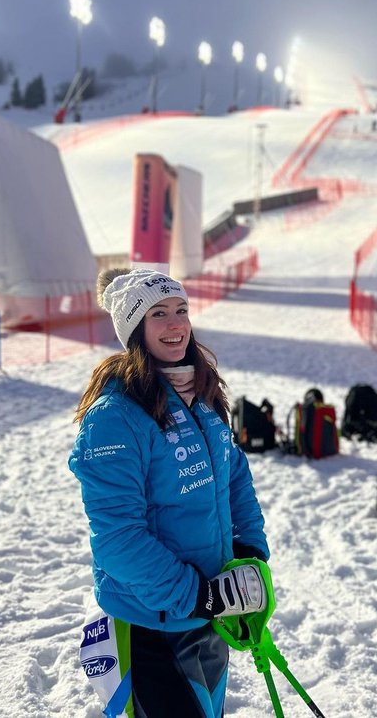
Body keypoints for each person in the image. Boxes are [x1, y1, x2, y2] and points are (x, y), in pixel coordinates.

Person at [69, 268, 270, 718]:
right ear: (134, 329)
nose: (176, 324)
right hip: (154, 621)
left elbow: (233, 472)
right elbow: (119, 539)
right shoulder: (115, 416)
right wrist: (198, 595)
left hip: (213, 610)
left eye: (181, 310)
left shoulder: (200, 392)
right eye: (158, 314)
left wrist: (248, 550)